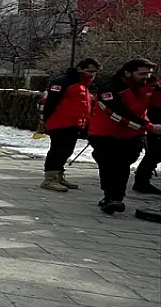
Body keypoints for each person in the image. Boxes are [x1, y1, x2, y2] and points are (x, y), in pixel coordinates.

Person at [88, 57, 156, 214]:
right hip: (105, 134)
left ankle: (115, 198)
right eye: (142, 73)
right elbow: (119, 112)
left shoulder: (149, 87)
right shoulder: (110, 88)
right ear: (128, 73)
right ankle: (111, 197)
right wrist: (149, 126)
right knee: (109, 164)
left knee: (122, 165)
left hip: (132, 134)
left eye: (149, 73)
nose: (146, 77)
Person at [39, 58, 99, 192]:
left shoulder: (83, 85)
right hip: (59, 123)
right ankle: (49, 178)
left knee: (67, 150)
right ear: (80, 69)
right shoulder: (64, 82)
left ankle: (58, 175)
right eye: (89, 71)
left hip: (74, 124)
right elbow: (50, 103)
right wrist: (46, 121)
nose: (92, 74)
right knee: (58, 150)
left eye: (94, 72)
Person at [133, 76, 161, 195]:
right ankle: (141, 182)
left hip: (154, 119)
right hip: (154, 121)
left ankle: (142, 181)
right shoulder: (153, 89)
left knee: (155, 154)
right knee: (154, 153)